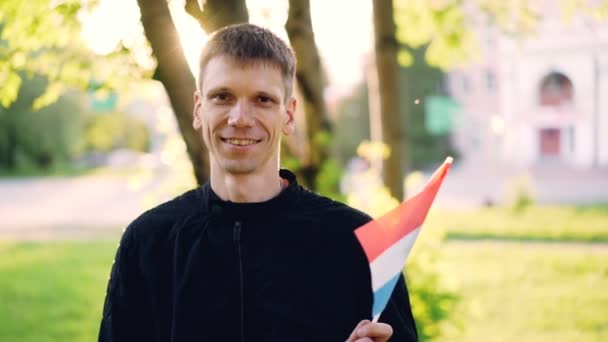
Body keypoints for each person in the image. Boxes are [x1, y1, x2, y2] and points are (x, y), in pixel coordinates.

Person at [99, 23, 418, 342]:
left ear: (289, 115)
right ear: (199, 108)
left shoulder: (360, 245)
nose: (240, 118)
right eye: (222, 96)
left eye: (262, 99)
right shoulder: (148, 242)